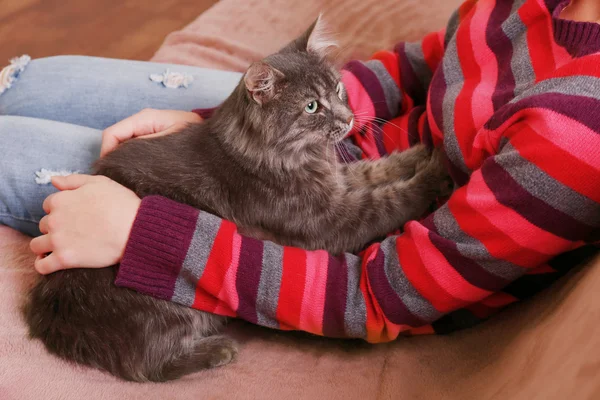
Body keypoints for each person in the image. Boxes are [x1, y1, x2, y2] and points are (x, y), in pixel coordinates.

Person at [3, 0, 600, 342]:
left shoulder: (578, 130)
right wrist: (227, 125)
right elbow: (423, 67)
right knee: (32, 83)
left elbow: (378, 295)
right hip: (310, 139)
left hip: (344, 222)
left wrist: (144, 233)